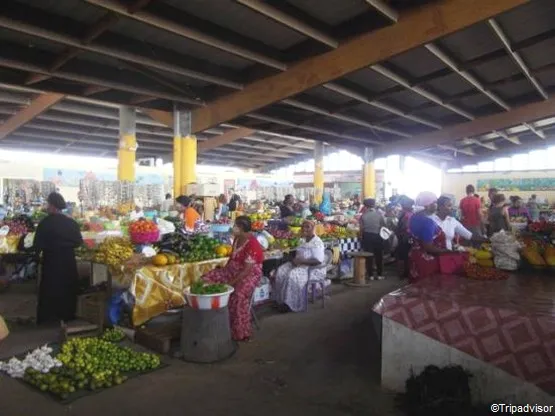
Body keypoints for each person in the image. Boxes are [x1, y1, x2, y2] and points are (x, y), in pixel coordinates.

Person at [202, 216, 264, 341]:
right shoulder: (236, 239)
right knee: (206, 279)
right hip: (231, 270)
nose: (232, 227)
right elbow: (232, 258)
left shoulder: (252, 244)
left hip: (249, 274)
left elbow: (246, 270)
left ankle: (241, 332)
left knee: (237, 295)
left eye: (235, 225)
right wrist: (222, 270)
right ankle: (214, 323)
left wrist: (230, 283)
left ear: (241, 228)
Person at [34, 192, 83, 324]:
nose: (47, 206)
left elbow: (37, 245)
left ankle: (48, 318)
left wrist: (37, 257)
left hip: (51, 261)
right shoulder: (71, 223)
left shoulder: (45, 223)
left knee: (50, 288)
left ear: (52, 205)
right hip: (68, 261)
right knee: (67, 288)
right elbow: (79, 242)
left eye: (48, 204)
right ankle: (67, 315)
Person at [274, 220, 326, 312]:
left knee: (292, 275)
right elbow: (297, 254)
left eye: (307, 227)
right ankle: (280, 300)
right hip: (299, 265)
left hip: (312, 269)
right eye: (303, 227)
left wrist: (302, 261)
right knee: (281, 271)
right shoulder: (302, 240)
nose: (304, 229)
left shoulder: (317, 242)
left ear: (313, 228)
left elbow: (318, 260)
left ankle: (290, 304)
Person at [408, 192, 449, 282]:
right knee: (427, 287)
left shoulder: (413, 217)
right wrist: (446, 252)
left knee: (416, 287)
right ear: (426, 205)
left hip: (415, 256)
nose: (436, 205)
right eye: (434, 202)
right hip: (427, 260)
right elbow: (428, 247)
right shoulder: (427, 222)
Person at [359, 198, 386, 280]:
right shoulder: (379, 214)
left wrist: (361, 236)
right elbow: (383, 226)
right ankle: (380, 274)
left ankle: (370, 275)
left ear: (365, 206)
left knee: (369, 256)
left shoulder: (363, 216)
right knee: (379, 256)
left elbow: (361, 229)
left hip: (367, 236)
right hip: (378, 236)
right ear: (374, 205)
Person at [395, 196, 414, 279]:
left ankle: (403, 273)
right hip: (407, 236)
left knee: (403, 256)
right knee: (406, 255)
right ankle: (405, 272)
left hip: (405, 237)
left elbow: (405, 226)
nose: (402, 206)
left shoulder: (406, 214)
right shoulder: (410, 213)